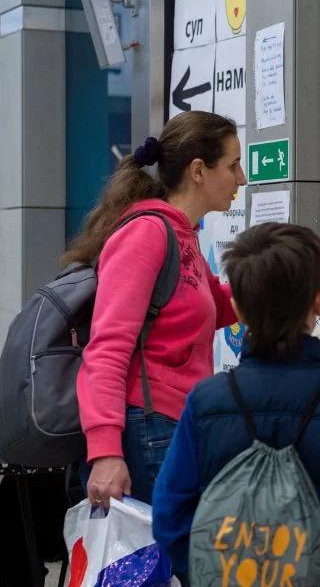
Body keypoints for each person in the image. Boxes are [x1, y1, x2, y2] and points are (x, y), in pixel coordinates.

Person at [152, 223, 320, 586]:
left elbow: (169, 513)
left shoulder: (205, 402)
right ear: (319, 299)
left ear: (236, 309)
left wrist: (205, 573)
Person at [68, 110, 247, 507]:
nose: (242, 178)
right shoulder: (146, 234)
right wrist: (106, 452)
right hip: (147, 431)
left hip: (173, 427)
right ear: (198, 170)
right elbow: (108, 348)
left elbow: (219, 306)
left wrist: (302, 270)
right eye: (234, 165)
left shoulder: (182, 235)